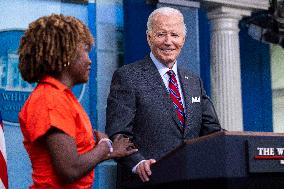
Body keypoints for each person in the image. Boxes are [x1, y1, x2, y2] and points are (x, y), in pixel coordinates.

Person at [105, 7, 222, 188]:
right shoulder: (127, 76)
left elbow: (212, 131)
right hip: (147, 180)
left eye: (174, 35)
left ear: (183, 39)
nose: (168, 42)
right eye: (161, 34)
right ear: (149, 37)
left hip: (190, 180)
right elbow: (119, 132)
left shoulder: (194, 81)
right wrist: (137, 163)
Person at [18, 14, 137, 189]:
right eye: (84, 51)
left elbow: (75, 156)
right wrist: (104, 147)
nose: (89, 61)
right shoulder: (51, 99)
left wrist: (110, 152)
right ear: (65, 55)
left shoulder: (61, 96)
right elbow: (70, 170)